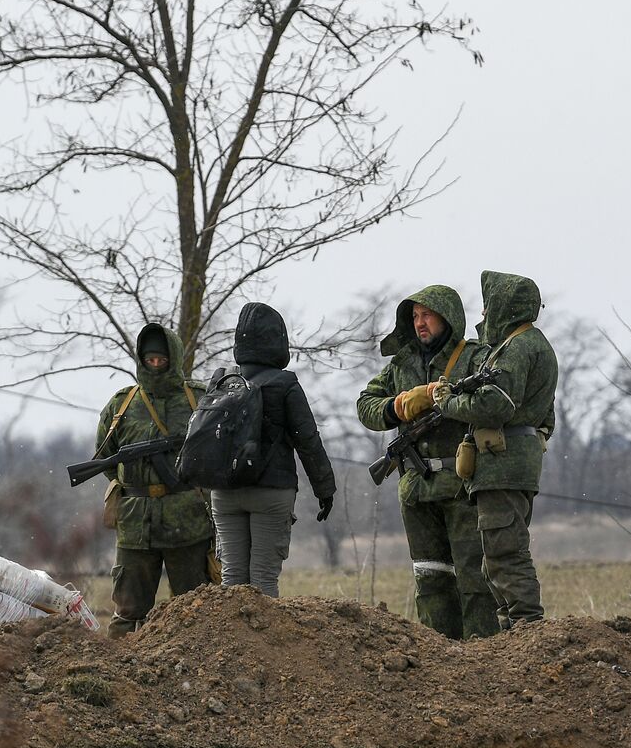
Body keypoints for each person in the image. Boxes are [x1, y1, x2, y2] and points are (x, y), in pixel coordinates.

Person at [356, 285, 499, 639]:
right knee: (430, 577)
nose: (420, 324)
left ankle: (481, 655)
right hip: (416, 490)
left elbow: (491, 402)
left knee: (474, 579)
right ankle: (438, 652)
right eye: (415, 317)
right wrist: (400, 405)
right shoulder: (400, 365)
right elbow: (366, 406)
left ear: (446, 318)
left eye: (427, 316)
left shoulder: (474, 359)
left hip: (462, 486)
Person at [435, 270, 558, 629]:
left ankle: (527, 629)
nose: (484, 318)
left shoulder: (518, 348)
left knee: (505, 553)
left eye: (489, 310)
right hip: (511, 463)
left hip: (502, 465)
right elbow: (544, 412)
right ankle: (514, 634)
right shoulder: (534, 345)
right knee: (495, 556)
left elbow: (495, 404)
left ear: (505, 308)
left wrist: (448, 403)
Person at [210, 302, 336, 598]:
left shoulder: (221, 382)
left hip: (224, 493)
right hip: (271, 492)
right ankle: (260, 645)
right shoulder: (285, 383)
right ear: (278, 342)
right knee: (263, 581)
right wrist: (325, 490)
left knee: (232, 582)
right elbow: (308, 441)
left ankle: (231, 644)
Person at [96, 324, 213, 637]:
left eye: (162, 359)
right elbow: (107, 458)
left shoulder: (198, 400)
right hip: (135, 524)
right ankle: (117, 677)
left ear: (173, 358)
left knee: (196, 610)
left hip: (187, 523)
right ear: (141, 360)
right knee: (128, 613)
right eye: (150, 359)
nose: (156, 365)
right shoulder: (122, 404)